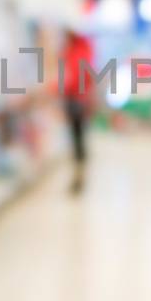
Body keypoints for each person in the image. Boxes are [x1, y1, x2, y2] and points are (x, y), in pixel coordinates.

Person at [59, 27, 96, 193]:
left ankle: (79, 175)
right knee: (78, 138)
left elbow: (74, 79)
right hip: (78, 100)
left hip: (76, 100)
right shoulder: (82, 51)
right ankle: (79, 174)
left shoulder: (76, 53)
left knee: (77, 138)